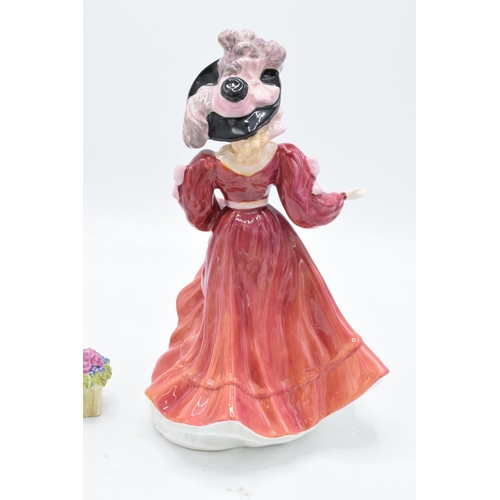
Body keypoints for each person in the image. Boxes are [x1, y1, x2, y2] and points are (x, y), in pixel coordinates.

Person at [145, 29, 389, 450]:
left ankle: (260, 391)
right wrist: (334, 199)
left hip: (235, 239)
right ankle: (248, 393)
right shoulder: (266, 158)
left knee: (256, 310)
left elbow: (204, 217)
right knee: (251, 311)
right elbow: (303, 208)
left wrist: (191, 195)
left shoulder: (218, 164)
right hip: (268, 235)